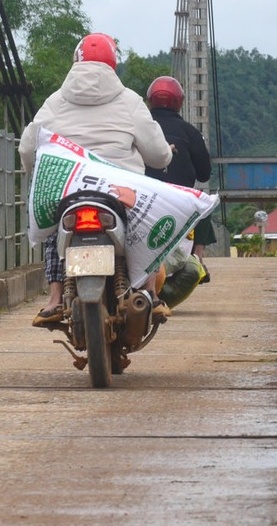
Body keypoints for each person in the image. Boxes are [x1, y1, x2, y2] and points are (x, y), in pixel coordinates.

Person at [18, 33, 173, 327]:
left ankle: (53, 299)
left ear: (76, 62)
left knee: (54, 231)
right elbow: (158, 154)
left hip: (70, 191)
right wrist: (164, 157)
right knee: (148, 224)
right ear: (112, 64)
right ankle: (149, 293)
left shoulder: (55, 102)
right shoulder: (130, 102)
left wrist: (35, 174)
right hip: (119, 193)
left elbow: (27, 146)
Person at [144, 75, 216, 282]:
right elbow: (203, 174)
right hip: (179, 202)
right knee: (203, 202)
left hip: (143, 197)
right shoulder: (191, 132)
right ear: (179, 101)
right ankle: (197, 258)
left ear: (150, 100)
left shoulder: (139, 127)